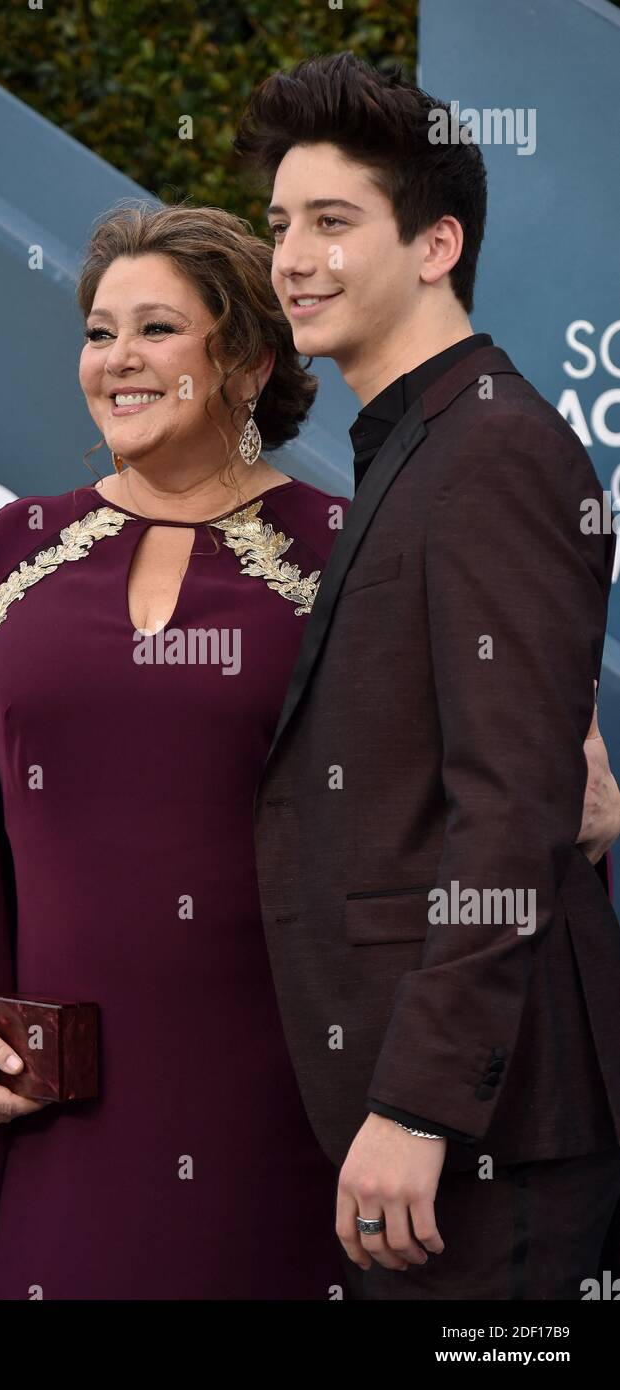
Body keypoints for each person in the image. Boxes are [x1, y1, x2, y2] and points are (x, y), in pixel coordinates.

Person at [0, 199, 617, 1302]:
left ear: (248, 359)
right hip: (47, 1124)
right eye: (98, 331)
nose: (117, 358)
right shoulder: (11, 548)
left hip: (299, 1114)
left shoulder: (359, 548)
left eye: (157, 330)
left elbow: (545, 797)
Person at [234, 50, 620, 1299]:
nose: (291, 255)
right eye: (281, 223)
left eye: (333, 222)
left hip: (487, 1134)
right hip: (436, 1123)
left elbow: (508, 808)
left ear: (436, 242)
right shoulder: (416, 446)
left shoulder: (496, 448)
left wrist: (418, 1104)